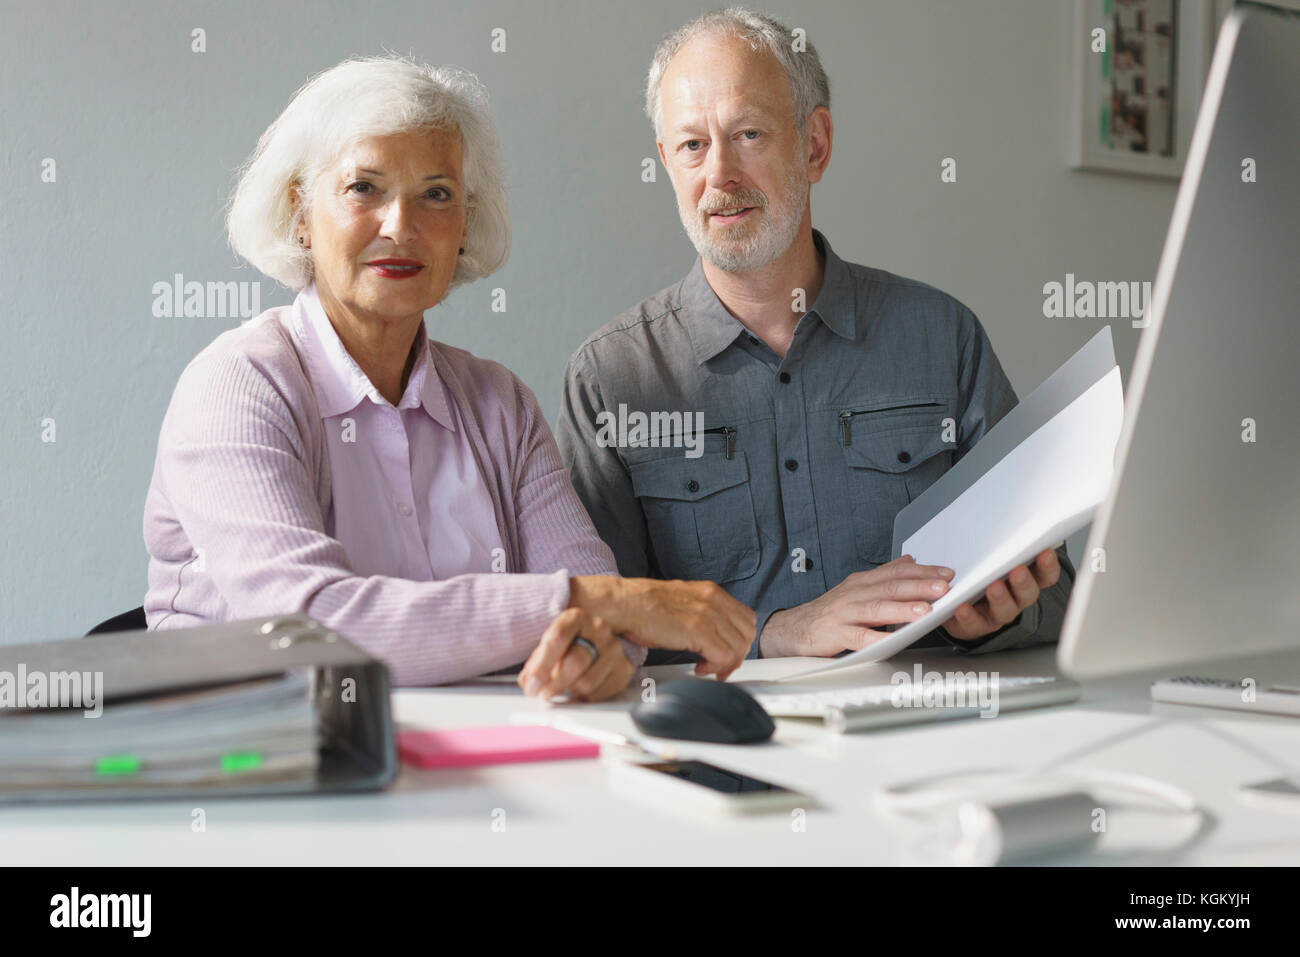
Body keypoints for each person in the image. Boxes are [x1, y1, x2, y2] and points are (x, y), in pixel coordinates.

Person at [142, 55, 753, 701]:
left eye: (436, 194)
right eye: (363, 187)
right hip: (261, 768)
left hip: (485, 765)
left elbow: (601, 615)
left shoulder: (500, 403)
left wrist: (594, 650)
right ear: (300, 211)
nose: (400, 226)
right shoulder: (237, 385)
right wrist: (593, 602)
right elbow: (311, 629)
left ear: (465, 224)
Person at [557, 8, 1074, 661]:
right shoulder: (611, 381)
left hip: (917, 746)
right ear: (667, 163)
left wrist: (993, 618)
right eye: (692, 145)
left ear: (815, 145)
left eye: (748, 134)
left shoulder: (943, 339)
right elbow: (598, 633)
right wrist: (773, 632)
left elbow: (1058, 588)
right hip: (716, 758)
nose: (720, 175)